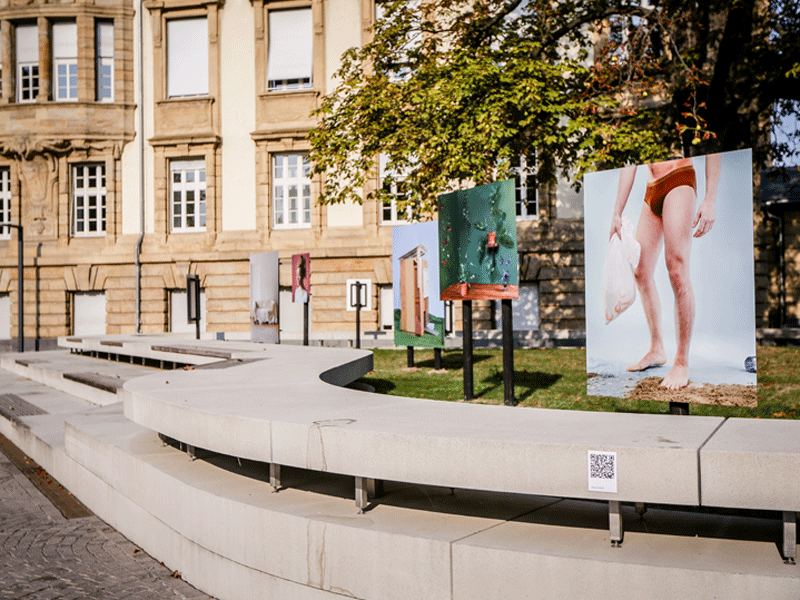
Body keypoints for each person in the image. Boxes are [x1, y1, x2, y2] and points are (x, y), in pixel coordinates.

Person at [609, 154, 720, 390]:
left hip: (678, 177)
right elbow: (628, 160)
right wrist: (617, 212)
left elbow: (714, 148)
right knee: (640, 272)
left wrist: (710, 199)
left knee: (677, 271)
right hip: (652, 186)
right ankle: (657, 349)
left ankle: (681, 362)